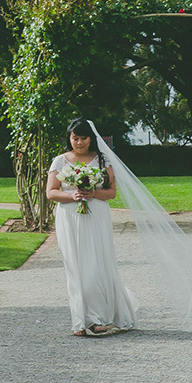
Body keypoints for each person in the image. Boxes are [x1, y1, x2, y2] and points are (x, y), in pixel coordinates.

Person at [46, 118, 139, 336]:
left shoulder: (102, 160)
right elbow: (51, 192)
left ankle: (97, 319)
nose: (79, 142)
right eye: (75, 138)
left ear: (91, 138)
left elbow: (112, 192)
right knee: (76, 267)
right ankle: (81, 320)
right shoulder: (60, 161)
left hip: (96, 215)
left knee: (96, 266)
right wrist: (72, 195)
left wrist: (92, 193)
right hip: (70, 216)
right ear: (69, 138)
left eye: (83, 138)